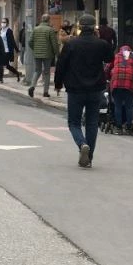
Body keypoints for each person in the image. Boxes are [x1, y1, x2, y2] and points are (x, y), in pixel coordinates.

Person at [54, 14, 114, 168]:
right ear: (94, 28)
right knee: (92, 122)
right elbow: (109, 58)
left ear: (80, 27)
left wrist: (58, 84)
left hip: (75, 88)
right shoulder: (101, 44)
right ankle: (89, 157)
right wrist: (100, 39)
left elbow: (61, 65)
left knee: (74, 122)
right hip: (96, 88)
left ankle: (82, 144)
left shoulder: (71, 44)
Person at [105, 45, 133, 134]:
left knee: (117, 105)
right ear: (130, 51)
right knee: (129, 106)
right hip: (129, 84)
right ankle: (129, 127)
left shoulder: (115, 56)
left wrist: (109, 77)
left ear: (120, 51)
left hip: (116, 83)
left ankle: (118, 127)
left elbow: (107, 69)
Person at [28, 13, 60, 98]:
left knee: (37, 70)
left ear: (41, 20)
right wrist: (57, 54)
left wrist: (35, 49)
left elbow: (30, 42)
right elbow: (54, 44)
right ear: (49, 20)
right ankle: (45, 92)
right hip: (47, 54)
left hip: (37, 54)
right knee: (46, 72)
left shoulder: (35, 29)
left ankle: (32, 86)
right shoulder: (50, 30)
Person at [0, 17, 21, 83]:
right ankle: (16, 73)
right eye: (2, 22)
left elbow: (12, 41)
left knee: (1, 64)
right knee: (6, 66)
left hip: (6, 51)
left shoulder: (9, 31)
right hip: (0, 50)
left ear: (7, 23)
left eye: (4, 22)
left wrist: (16, 49)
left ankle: (1, 78)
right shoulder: (0, 30)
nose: (3, 23)